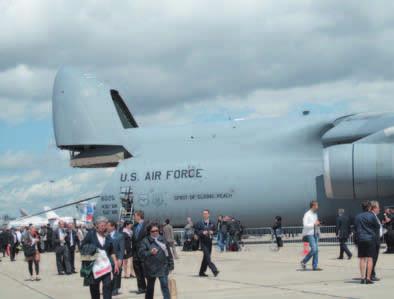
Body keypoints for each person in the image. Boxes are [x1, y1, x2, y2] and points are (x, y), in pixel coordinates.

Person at [81, 216, 119, 299]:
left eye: (105, 225)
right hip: (94, 267)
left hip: (106, 267)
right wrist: (92, 250)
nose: (103, 227)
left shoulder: (107, 236)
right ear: (96, 225)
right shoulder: (91, 234)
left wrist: (115, 263)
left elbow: (112, 251)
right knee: (94, 289)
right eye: (101, 225)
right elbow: (82, 247)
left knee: (108, 286)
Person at [139, 223, 174, 299]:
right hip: (150, 268)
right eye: (153, 231)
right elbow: (141, 253)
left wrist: (171, 265)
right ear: (149, 232)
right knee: (150, 288)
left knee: (165, 286)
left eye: (156, 230)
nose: (155, 232)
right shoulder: (145, 241)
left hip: (163, 267)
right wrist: (150, 252)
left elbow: (168, 253)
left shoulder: (163, 239)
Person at [354, 200, 380, 284]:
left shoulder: (357, 216)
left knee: (362, 258)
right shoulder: (371, 216)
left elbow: (355, 227)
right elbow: (378, 226)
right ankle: (368, 278)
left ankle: (362, 277)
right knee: (369, 259)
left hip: (360, 239)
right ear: (369, 207)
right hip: (370, 239)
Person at [194, 209, 219, 277]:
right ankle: (214, 270)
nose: (204, 215)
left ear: (209, 214)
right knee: (208, 257)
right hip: (203, 243)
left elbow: (216, 231)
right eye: (203, 214)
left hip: (209, 242)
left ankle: (201, 272)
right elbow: (196, 231)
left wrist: (212, 232)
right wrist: (202, 232)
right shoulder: (199, 223)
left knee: (205, 258)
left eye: (206, 213)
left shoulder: (212, 223)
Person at [300, 200, 322, 271]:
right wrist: (314, 224)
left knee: (316, 250)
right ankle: (304, 261)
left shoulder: (315, 214)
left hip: (315, 233)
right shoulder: (307, 214)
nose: (317, 207)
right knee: (314, 249)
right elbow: (305, 225)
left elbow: (316, 224)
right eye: (317, 205)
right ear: (313, 206)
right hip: (309, 234)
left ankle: (315, 266)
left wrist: (319, 231)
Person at [132, 210, 148, 294]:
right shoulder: (134, 226)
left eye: (135, 215)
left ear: (139, 216)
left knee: (145, 271)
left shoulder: (146, 225)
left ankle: (149, 287)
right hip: (135, 253)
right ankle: (141, 288)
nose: (134, 217)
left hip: (144, 252)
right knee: (138, 271)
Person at [107, 221, 125, 296]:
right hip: (107, 258)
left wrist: (120, 259)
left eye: (108, 226)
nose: (106, 227)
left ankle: (115, 289)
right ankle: (110, 288)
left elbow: (122, 249)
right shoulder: (105, 235)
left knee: (116, 274)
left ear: (113, 227)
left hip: (117, 258)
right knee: (107, 275)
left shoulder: (119, 236)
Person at [370, 201, 383, 281]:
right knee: (373, 258)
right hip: (374, 240)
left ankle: (371, 273)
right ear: (374, 208)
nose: (379, 209)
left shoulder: (375, 216)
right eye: (378, 208)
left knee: (374, 258)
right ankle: (371, 274)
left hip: (377, 240)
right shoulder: (372, 216)